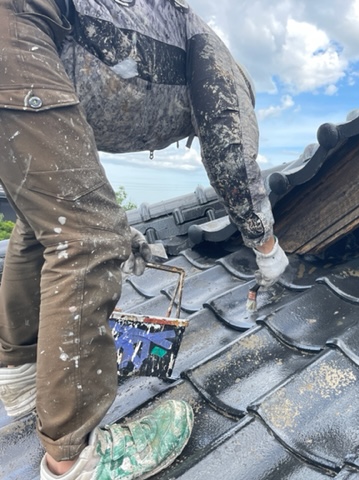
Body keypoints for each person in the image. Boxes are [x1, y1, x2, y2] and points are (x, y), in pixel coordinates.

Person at [0, 0, 288, 478]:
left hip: (21, 43)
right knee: (88, 240)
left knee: (45, 224)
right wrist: (268, 248)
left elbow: (65, 180)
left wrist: (119, 226)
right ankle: (74, 458)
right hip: (19, 32)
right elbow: (232, 157)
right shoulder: (221, 67)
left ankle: (19, 377)